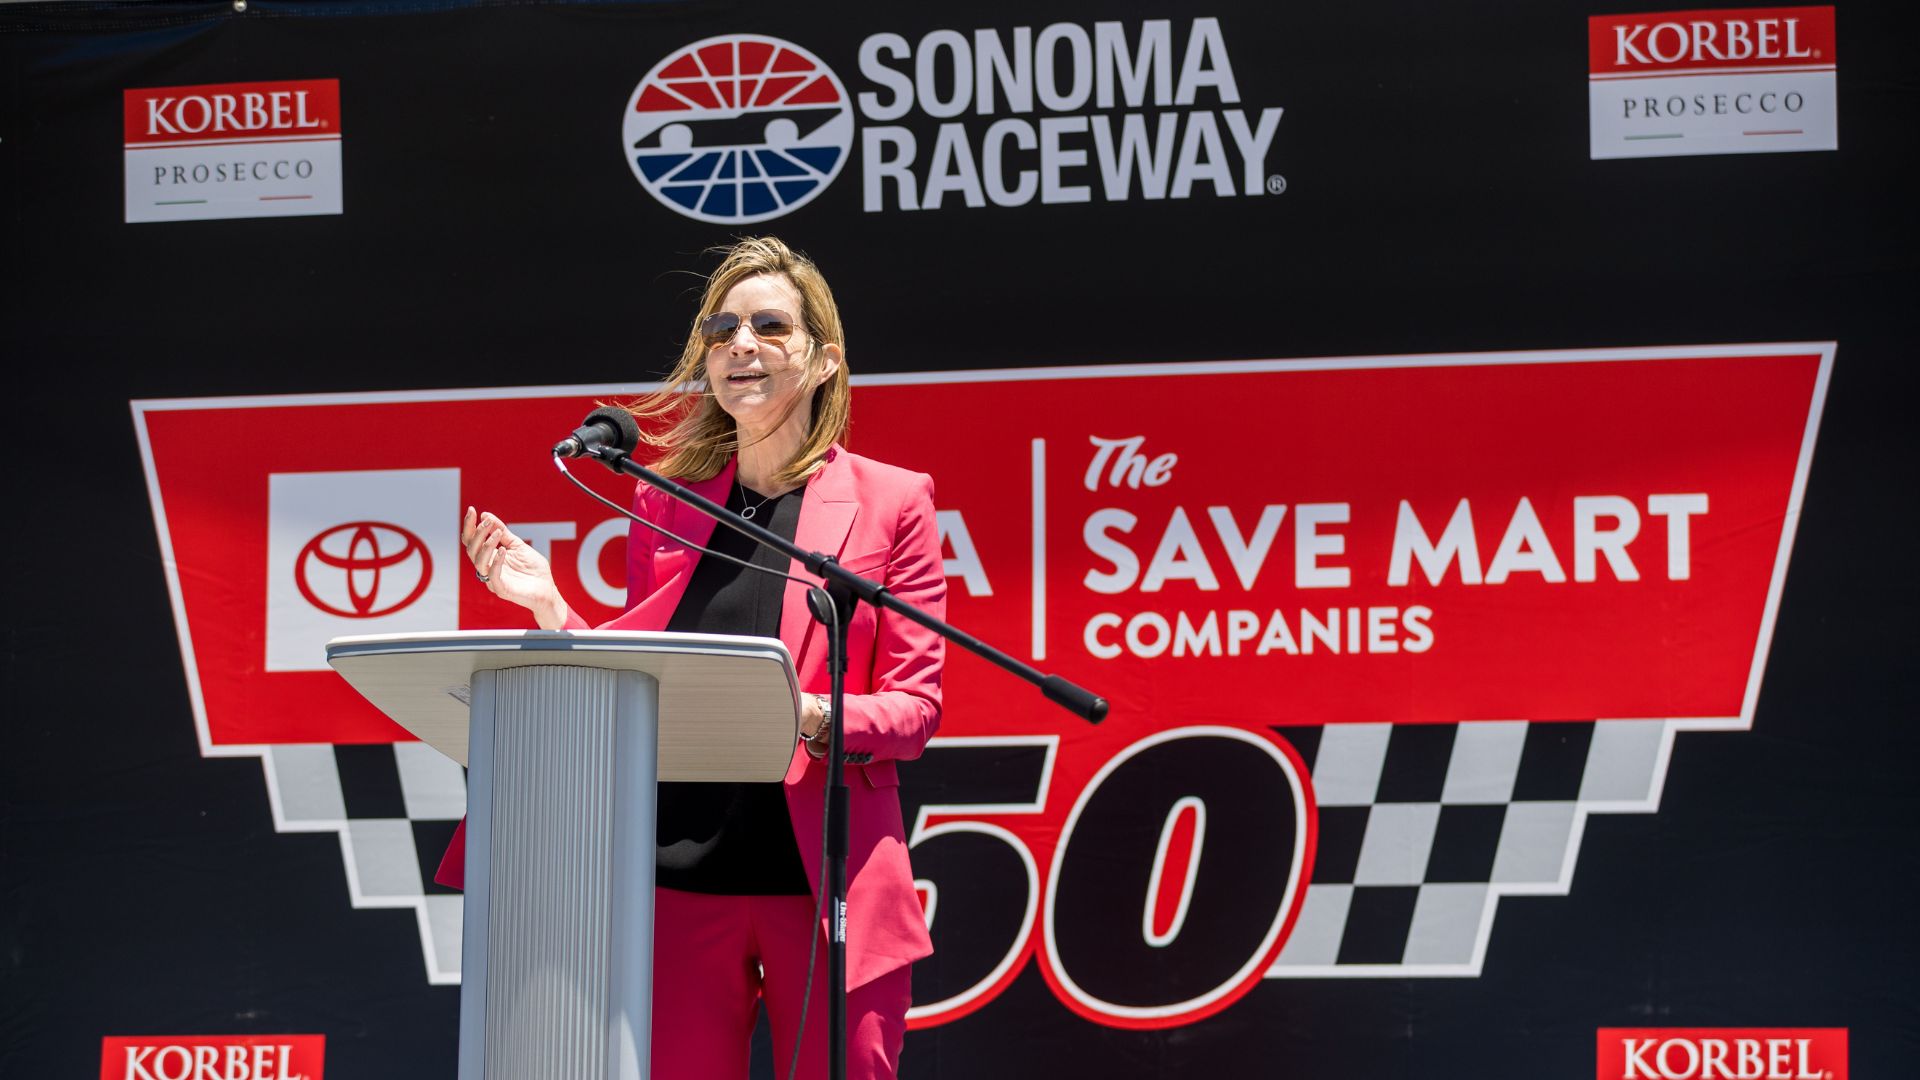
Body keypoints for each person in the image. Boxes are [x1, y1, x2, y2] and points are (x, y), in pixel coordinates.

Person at [436, 236, 944, 1080]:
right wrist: (548, 606)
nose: (740, 344)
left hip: (820, 882)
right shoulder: (664, 496)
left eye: (769, 325)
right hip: (676, 881)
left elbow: (916, 709)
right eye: (722, 328)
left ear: (823, 361)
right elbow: (643, 671)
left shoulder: (893, 500)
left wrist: (808, 714)